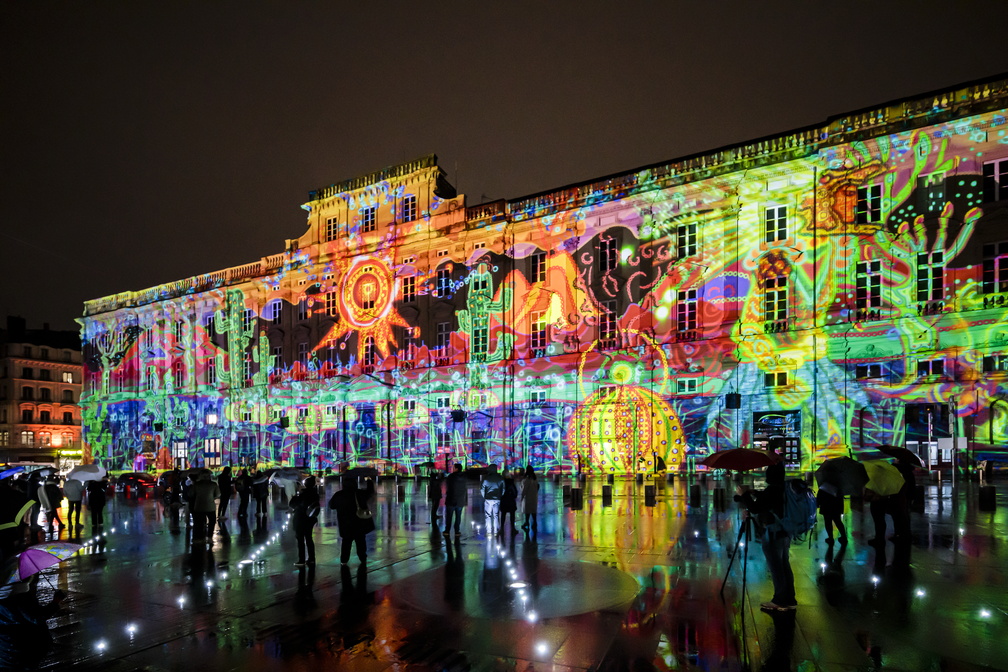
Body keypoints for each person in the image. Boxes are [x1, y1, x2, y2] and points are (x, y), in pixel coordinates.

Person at [736, 462, 796, 612]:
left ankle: (780, 600)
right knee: (784, 564)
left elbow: (755, 508)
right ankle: (790, 598)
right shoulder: (784, 488)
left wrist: (744, 495)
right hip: (785, 531)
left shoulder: (772, 490)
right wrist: (753, 492)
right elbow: (766, 499)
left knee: (776, 567)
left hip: (773, 532)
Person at [330, 476, 375, 566]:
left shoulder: (339, 495)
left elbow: (332, 505)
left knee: (346, 542)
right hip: (359, 524)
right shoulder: (359, 494)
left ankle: (344, 560)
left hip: (345, 525)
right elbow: (370, 492)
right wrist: (369, 481)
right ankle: (363, 558)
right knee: (361, 542)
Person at [289, 476, 321, 566]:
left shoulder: (303, 495)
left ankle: (301, 560)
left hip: (301, 519)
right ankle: (311, 559)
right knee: (309, 539)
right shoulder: (315, 494)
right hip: (310, 519)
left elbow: (292, 504)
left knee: (300, 540)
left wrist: (295, 496)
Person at [190, 469, 221, 544]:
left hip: (198, 506)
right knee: (212, 521)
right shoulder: (213, 484)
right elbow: (218, 494)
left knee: (199, 523)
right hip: (210, 506)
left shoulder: (196, 485)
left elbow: (191, 494)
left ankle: (199, 537)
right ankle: (209, 537)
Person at [443, 463, 467, 538]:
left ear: (456, 468)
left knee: (449, 516)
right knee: (458, 516)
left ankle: (447, 530)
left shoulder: (451, 477)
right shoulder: (464, 477)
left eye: (453, 467)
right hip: (460, 500)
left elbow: (448, 487)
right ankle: (457, 531)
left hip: (451, 499)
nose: (452, 468)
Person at [480, 464, 504, 537]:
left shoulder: (486, 478)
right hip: (497, 499)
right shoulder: (500, 478)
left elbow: (482, 489)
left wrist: (485, 496)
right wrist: (500, 496)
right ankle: (496, 531)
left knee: (488, 515)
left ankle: (489, 532)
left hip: (488, 498)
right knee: (496, 515)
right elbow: (503, 489)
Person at [520, 465, 540, 532]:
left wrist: (522, 497)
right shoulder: (535, 479)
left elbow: (524, 490)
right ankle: (534, 522)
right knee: (533, 511)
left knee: (527, 511)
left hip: (527, 497)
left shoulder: (527, 480)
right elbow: (537, 487)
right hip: (534, 497)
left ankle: (527, 522)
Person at [500, 469, 518, 533]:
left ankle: (501, 529)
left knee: (503, 515)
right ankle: (513, 528)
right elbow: (515, 492)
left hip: (504, 500)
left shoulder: (501, 482)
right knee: (512, 515)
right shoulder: (511, 482)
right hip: (510, 500)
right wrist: (513, 496)